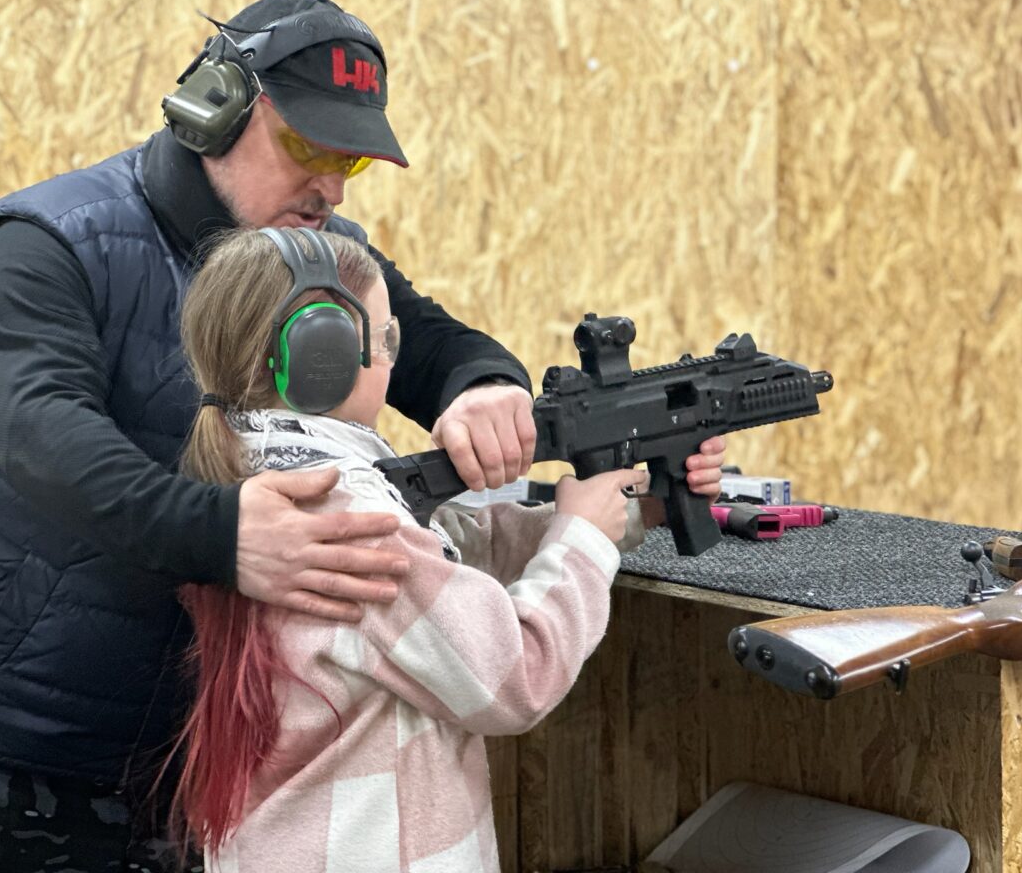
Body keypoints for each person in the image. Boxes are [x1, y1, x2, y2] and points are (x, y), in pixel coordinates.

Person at [0, 0, 541, 870]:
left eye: (350, 160)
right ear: (212, 109)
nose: (332, 187)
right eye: (309, 146)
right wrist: (224, 536)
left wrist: (483, 384)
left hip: (194, 771)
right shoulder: (45, 247)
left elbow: (429, 341)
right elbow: (47, 438)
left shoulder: (312, 252)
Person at [163, 226, 726, 871]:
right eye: (385, 339)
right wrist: (584, 541)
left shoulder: (263, 472)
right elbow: (517, 677)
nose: (394, 359)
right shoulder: (349, 515)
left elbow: (448, 555)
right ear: (323, 356)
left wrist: (627, 509)